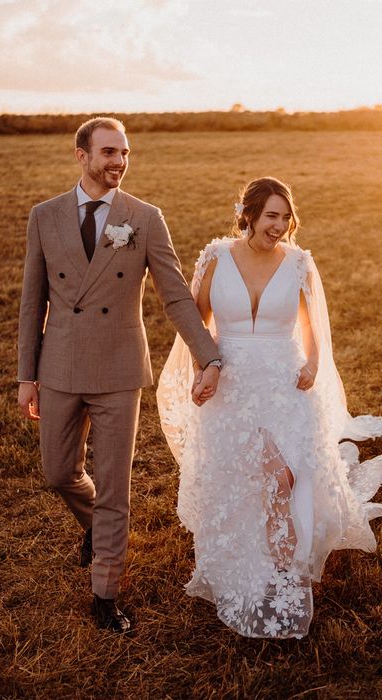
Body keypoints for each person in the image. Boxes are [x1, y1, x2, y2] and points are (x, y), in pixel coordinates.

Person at [17, 116, 221, 633]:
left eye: (125, 153)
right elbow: (31, 301)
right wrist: (26, 375)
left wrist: (209, 355)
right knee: (58, 472)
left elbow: (174, 294)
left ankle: (105, 594)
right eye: (109, 152)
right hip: (59, 365)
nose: (119, 162)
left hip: (118, 370)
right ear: (80, 155)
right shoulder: (44, 217)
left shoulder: (145, 218)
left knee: (114, 488)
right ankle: (95, 528)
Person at [157, 176, 382, 639]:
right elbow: (197, 322)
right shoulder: (217, 257)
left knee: (285, 477)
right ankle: (245, 563)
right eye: (270, 216)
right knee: (251, 477)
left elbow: (312, 324)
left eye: (285, 216)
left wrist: (315, 362)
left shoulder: (299, 263)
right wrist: (205, 367)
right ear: (249, 215)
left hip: (284, 381)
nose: (279, 226)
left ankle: (282, 573)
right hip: (231, 382)